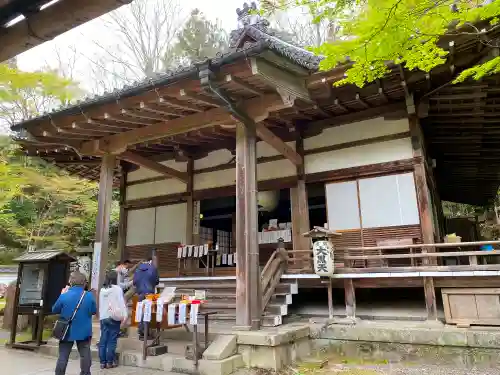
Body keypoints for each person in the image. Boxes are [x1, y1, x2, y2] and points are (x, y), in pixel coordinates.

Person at [53, 271, 96, 375]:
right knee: (85, 354)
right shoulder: (89, 296)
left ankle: (59, 373)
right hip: (84, 330)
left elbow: (55, 309)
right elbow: (93, 311)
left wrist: (61, 294)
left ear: (70, 282)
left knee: (63, 355)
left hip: (67, 330)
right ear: (84, 283)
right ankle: (85, 373)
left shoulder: (64, 296)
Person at [98, 270, 128, 369]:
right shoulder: (117, 289)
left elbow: (101, 305)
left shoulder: (102, 290)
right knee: (112, 341)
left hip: (103, 317)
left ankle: (102, 362)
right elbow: (121, 303)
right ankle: (109, 362)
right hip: (114, 317)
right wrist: (124, 316)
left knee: (103, 340)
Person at [133, 258, 159, 340]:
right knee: (147, 312)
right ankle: (145, 333)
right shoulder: (152, 268)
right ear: (150, 261)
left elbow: (134, 282)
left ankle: (141, 331)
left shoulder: (137, 269)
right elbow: (157, 281)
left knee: (141, 311)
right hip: (149, 293)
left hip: (140, 292)